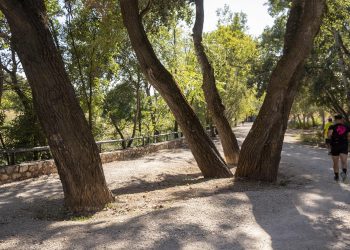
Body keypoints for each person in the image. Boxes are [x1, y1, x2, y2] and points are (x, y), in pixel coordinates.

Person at [328, 114, 349, 181]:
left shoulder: (332, 126)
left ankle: (336, 176)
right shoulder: (347, 127)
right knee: (344, 161)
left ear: (335, 119)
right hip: (344, 145)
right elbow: (349, 136)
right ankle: (344, 173)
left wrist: (330, 142)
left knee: (335, 162)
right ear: (341, 119)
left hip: (335, 145)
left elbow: (329, 135)